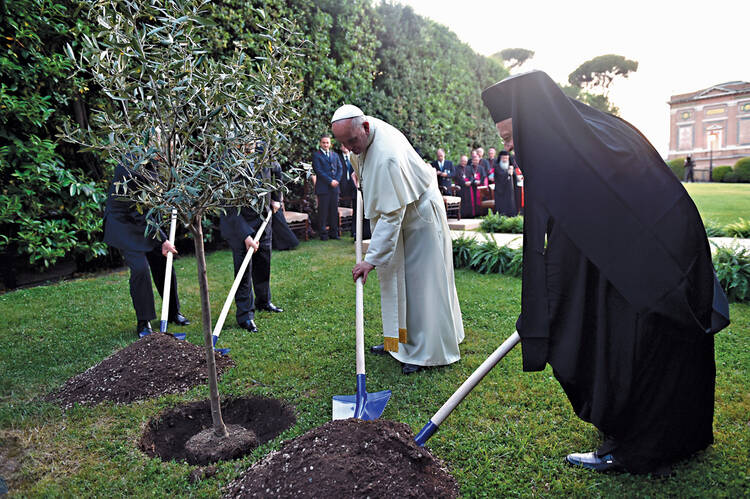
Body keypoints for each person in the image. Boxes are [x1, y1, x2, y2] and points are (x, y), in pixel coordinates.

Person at [481, 70, 729, 474]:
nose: (509, 149)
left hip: (658, 275)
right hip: (647, 270)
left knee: (642, 351)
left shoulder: (597, 150)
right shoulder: (581, 147)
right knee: (626, 346)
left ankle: (639, 449)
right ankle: (666, 436)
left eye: (511, 138)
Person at [331, 104, 464, 375]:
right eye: (343, 144)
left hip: (420, 219)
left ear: (365, 127)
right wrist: (360, 175)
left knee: (421, 288)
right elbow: (361, 165)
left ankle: (424, 353)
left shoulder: (387, 156)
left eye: (352, 141)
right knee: (396, 281)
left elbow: (390, 217)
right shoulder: (365, 137)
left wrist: (371, 260)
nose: (349, 148)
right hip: (401, 214)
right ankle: (399, 342)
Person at [103, 161, 190, 337]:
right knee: (140, 269)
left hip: (146, 221)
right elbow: (138, 212)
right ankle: (144, 321)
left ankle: (172, 312)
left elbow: (153, 204)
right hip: (125, 225)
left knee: (164, 263)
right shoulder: (132, 166)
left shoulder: (156, 162)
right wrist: (163, 239)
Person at [219, 145, 284, 333]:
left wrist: (276, 198)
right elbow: (227, 204)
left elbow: (276, 170)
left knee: (264, 261)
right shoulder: (228, 161)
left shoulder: (262, 152)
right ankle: (245, 315)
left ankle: (264, 301)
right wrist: (244, 235)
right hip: (238, 222)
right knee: (243, 271)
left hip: (263, 218)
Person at [312, 134, 343, 240]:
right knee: (323, 212)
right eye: (323, 142)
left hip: (334, 188)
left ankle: (334, 233)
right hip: (323, 188)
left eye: (327, 142)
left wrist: (337, 181)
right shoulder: (316, 155)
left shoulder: (335, 155)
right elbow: (318, 171)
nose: (325, 144)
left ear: (330, 144)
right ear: (320, 143)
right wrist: (330, 181)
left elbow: (340, 168)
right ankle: (323, 234)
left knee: (334, 211)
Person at [493, 150, 516, 217]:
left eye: (506, 158)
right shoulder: (497, 166)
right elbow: (500, 175)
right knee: (501, 204)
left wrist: (513, 172)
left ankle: (511, 215)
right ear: (500, 158)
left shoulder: (510, 166)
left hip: (509, 189)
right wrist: (507, 173)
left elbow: (514, 175)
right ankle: (501, 215)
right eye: (503, 158)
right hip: (500, 189)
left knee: (510, 203)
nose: (505, 160)